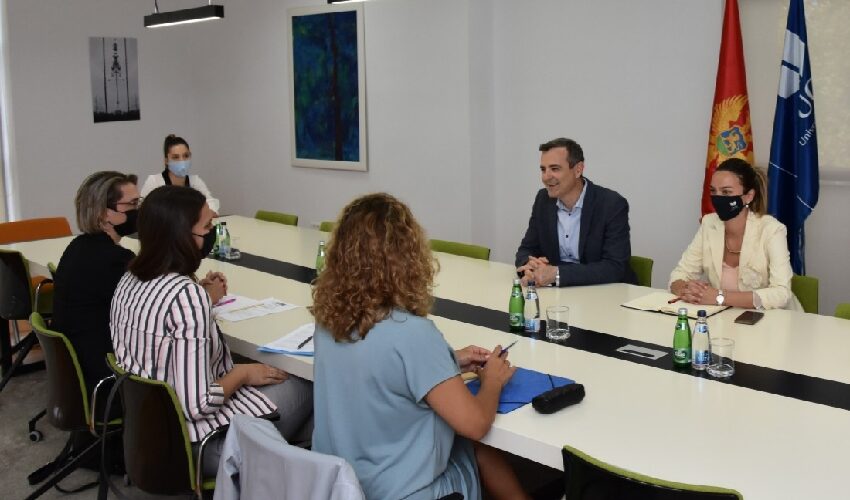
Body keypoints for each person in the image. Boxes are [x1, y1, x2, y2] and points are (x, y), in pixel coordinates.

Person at [311, 193, 528, 500]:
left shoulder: (328, 321)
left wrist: (448, 360)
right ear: (407, 257)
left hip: (341, 487)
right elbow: (476, 424)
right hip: (406, 492)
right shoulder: (413, 334)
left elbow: (376, 368)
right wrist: (492, 380)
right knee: (475, 445)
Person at [110, 185, 312, 475]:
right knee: (309, 383)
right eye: (207, 227)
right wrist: (242, 374)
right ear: (182, 236)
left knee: (277, 383)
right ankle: (285, 470)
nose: (213, 233)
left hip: (147, 433)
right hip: (200, 444)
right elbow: (198, 405)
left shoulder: (129, 277)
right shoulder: (185, 295)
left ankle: (276, 463)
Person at [669, 158, 800, 310]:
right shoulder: (709, 224)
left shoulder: (772, 230)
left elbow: (781, 293)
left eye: (726, 192)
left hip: (772, 319)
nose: (718, 198)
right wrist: (687, 290)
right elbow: (680, 273)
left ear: (748, 196)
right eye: (713, 191)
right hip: (724, 317)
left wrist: (718, 297)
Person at [53, 171, 139, 398]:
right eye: (132, 204)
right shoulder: (114, 260)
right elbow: (156, 313)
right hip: (107, 377)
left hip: (78, 372)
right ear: (103, 213)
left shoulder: (78, 246)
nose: (138, 211)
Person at [516, 137, 637, 287]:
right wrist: (529, 265)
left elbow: (615, 267)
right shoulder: (543, 199)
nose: (546, 177)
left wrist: (557, 273)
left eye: (555, 169)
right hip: (558, 293)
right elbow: (526, 249)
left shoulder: (611, 204)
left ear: (578, 169)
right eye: (543, 169)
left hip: (606, 292)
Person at [140, 134, 220, 214]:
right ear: (166, 161)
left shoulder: (195, 181)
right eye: (175, 157)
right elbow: (142, 211)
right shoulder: (154, 181)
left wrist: (210, 212)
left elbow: (211, 203)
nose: (182, 161)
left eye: (186, 156)